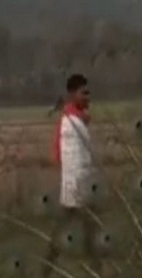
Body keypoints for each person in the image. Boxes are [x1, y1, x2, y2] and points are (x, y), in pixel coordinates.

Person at [52, 73, 93, 210]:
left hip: (81, 181)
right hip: (76, 181)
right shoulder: (69, 121)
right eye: (83, 93)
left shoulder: (75, 118)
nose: (87, 97)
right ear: (72, 94)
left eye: (88, 93)